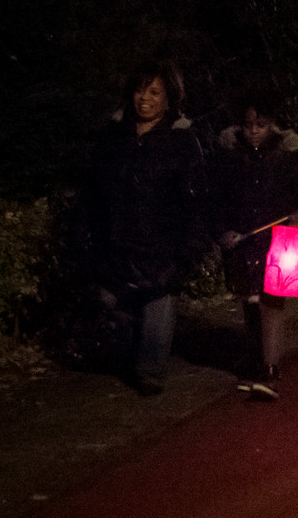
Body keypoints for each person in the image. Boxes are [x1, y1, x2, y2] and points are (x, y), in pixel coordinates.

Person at [77, 58, 207, 396]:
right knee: (113, 303)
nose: (144, 98)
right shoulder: (112, 138)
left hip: (163, 244)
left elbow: (196, 202)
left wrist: (188, 251)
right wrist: (89, 237)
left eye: (154, 92)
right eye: (139, 90)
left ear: (168, 97)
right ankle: (133, 354)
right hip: (117, 241)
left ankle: (150, 371)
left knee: (156, 303)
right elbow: (92, 192)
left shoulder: (181, 142)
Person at [212, 92, 298, 400]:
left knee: (273, 303)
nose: (254, 130)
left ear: (273, 123)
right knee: (250, 300)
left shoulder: (288, 153)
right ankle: (258, 361)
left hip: (285, 238)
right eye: (248, 124)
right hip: (244, 239)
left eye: (261, 124)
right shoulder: (230, 156)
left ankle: (270, 369)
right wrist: (222, 230)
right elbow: (217, 199)